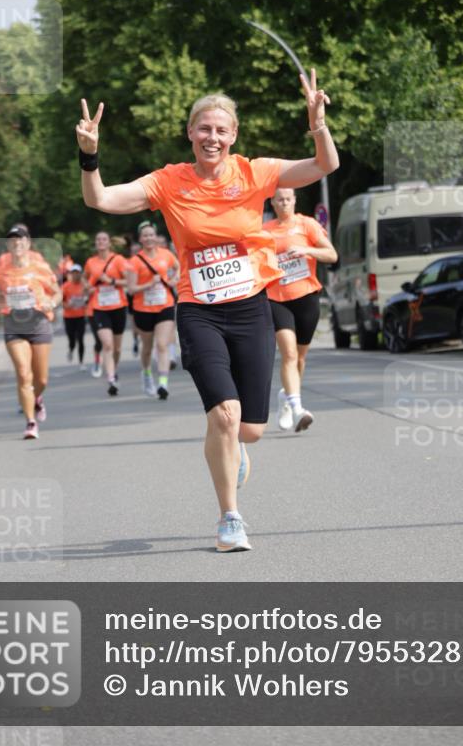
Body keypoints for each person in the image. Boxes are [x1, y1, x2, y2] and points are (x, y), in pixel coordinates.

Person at [76, 68, 338, 552]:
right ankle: (230, 518)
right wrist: (90, 154)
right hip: (199, 310)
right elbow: (101, 199)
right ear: (190, 134)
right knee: (223, 413)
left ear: (233, 135)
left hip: (251, 307)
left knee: (250, 430)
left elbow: (324, 166)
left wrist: (317, 124)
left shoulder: (254, 172)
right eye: (204, 129)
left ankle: (234, 445)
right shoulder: (169, 182)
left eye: (221, 130)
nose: (211, 137)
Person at [264, 188, 337, 431]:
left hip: (306, 296)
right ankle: (297, 409)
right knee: (289, 354)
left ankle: (286, 397)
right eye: (279, 199)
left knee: (301, 357)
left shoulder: (307, 225)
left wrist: (307, 250)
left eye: (288, 199)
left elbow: (331, 254)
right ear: (272, 202)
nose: (284, 203)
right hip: (276, 298)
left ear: (294, 200)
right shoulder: (265, 231)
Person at [0, 225, 62, 439]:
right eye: (12, 240)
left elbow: (57, 293)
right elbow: (1, 296)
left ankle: (36, 398)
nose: (16, 243)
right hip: (13, 325)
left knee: (42, 380)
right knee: (23, 373)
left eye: (20, 239)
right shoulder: (2, 269)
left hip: (38, 323)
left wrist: (51, 303)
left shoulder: (39, 267)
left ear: (28, 243)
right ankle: (30, 422)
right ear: (8, 245)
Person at [126, 220, 179, 399]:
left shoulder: (166, 255)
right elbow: (131, 289)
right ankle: (147, 374)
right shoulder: (134, 262)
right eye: (145, 235)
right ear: (141, 239)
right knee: (147, 348)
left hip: (165, 305)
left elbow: (177, 267)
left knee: (162, 345)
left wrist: (174, 280)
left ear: (155, 237)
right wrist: (149, 284)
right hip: (143, 309)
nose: (149, 238)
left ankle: (163, 384)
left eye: (151, 235)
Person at [83, 231, 129, 396]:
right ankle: (111, 379)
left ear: (109, 243)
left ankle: (114, 370)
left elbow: (129, 281)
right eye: (98, 239)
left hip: (118, 306)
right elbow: (86, 281)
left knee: (116, 348)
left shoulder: (119, 260)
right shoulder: (90, 262)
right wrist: (88, 287)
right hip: (99, 308)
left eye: (104, 239)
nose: (100, 242)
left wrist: (112, 281)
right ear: (95, 243)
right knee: (107, 344)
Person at [62, 263, 87, 370]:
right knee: (72, 339)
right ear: (71, 274)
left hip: (81, 316)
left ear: (81, 274)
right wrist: (67, 305)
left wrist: (86, 301)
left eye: (77, 273)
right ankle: (71, 349)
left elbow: (90, 296)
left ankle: (81, 362)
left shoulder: (84, 285)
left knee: (80, 339)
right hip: (69, 317)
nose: (75, 275)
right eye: (73, 273)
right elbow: (60, 300)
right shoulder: (66, 286)